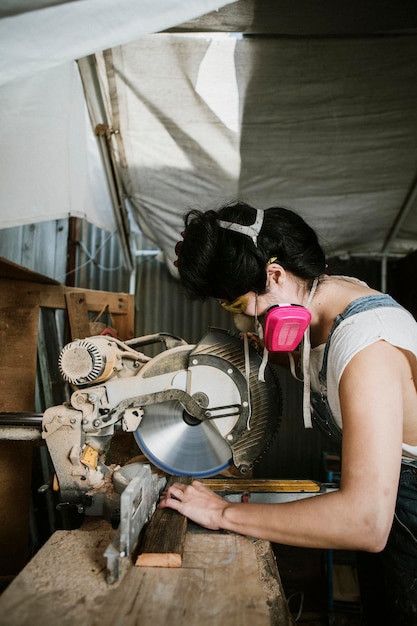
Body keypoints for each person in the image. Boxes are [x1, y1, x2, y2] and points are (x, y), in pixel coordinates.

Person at [160, 201, 417, 625]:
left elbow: (365, 522)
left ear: (275, 275)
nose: (246, 320)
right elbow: (293, 356)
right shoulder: (322, 301)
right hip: (396, 515)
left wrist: (221, 513)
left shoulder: (367, 346)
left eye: (237, 305)